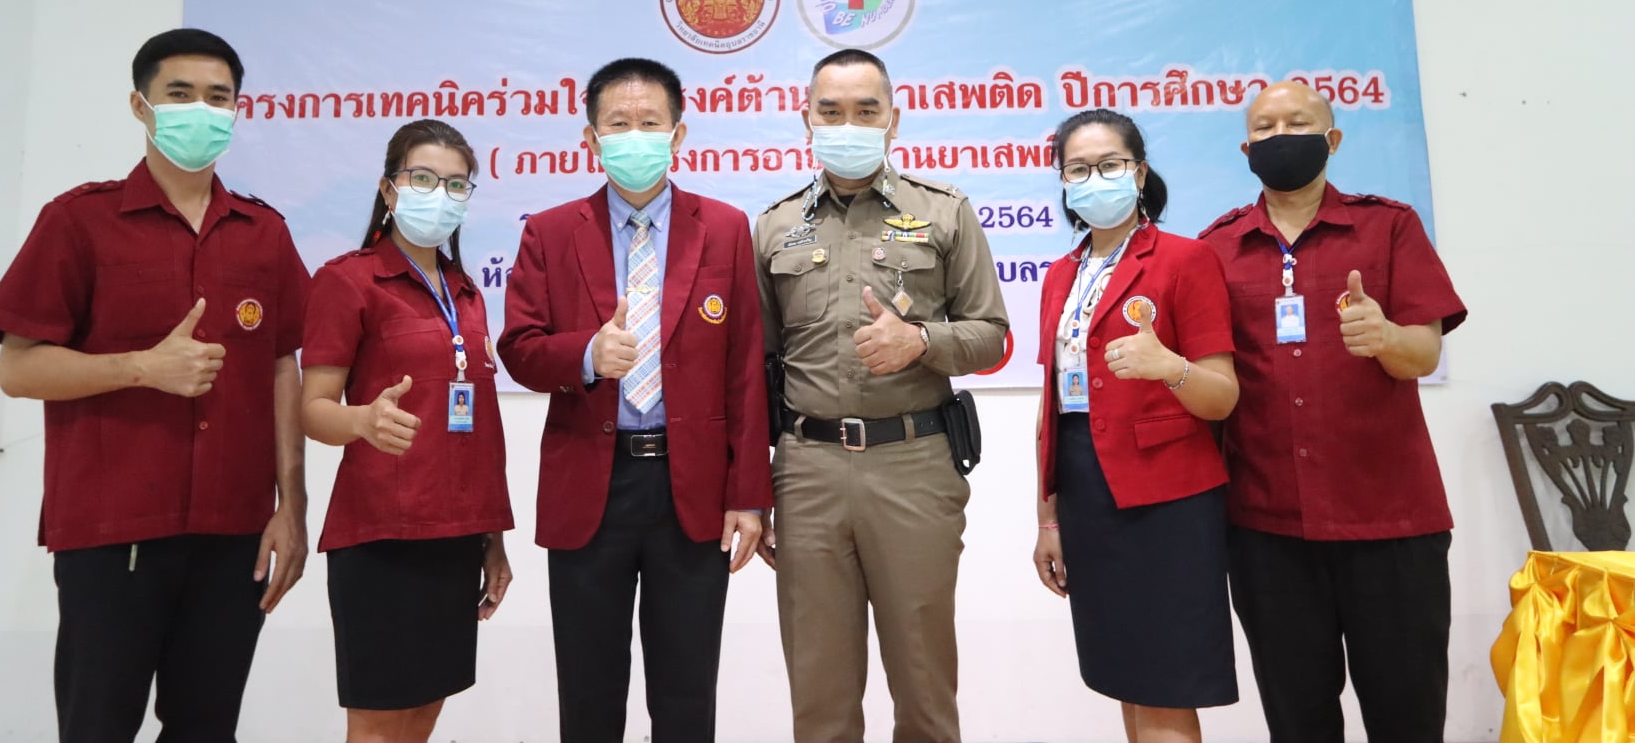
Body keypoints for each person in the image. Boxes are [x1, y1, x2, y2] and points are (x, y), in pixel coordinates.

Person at [0, 27, 310, 743]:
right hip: (113, 528)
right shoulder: (79, 221)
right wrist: (139, 367)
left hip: (234, 533)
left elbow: (283, 365)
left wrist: (293, 505)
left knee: (206, 729)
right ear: (141, 105)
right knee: (98, 726)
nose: (201, 111)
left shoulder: (264, 232)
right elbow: (17, 367)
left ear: (238, 110)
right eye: (179, 94)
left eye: (218, 97)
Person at [498, 57, 772, 743]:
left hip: (693, 490)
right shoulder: (550, 231)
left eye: (650, 122)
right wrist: (586, 356)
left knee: (686, 695)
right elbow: (520, 349)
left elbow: (745, 369)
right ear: (590, 139)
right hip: (592, 485)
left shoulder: (725, 227)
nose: (634, 136)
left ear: (678, 134)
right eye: (618, 124)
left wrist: (749, 495)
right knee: (589, 694)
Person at [1199, 81, 1468, 743]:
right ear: (1246, 149)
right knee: (1299, 724)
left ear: (1333, 139)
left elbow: (1423, 353)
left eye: (1298, 122)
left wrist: (1386, 337)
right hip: (1267, 531)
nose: (1280, 136)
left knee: (1408, 720)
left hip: (1390, 523)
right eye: (1264, 128)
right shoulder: (1216, 248)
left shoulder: (1389, 226)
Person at [753, 48, 1009, 743]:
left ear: (893, 119)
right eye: (831, 111)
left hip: (913, 463)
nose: (848, 125)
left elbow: (991, 335)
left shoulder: (944, 211)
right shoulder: (774, 226)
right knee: (820, 696)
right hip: (807, 471)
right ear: (806, 119)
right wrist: (751, 490)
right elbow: (755, 367)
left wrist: (921, 341)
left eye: (866, 111)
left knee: (925, 690)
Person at [300, 118, 514, 743]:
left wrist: (492, 538)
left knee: (423, 713)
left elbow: (480, 431)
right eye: (423, 179)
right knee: (377, 721)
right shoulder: (348, 280)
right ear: (389, 189)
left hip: (456, 536)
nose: (439, 195)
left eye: (455, 184)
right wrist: (362, 420)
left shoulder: (466, 293)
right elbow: (312, 408)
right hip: (380, 534)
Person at [1031, 109, 1240, 743]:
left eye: (1110, 165)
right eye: (1078, 169)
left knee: (1164, 684)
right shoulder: (1060, 275)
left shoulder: (1185, 259)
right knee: (1124, 675)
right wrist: (1048, 518)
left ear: (1140, 172)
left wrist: (1169, 367)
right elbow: (1052, 406)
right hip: (1086, 492)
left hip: (1165, 498)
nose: (1094, 179)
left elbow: (1222, 396)